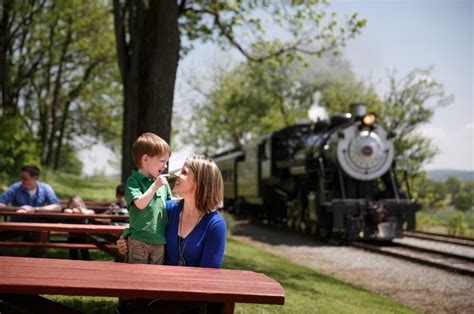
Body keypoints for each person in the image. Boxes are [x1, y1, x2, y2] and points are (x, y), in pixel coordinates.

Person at [116, 155, 226, 313]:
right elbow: (141, 225)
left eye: (184, 172)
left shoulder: (215, 225)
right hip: (155, 292)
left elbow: (207, 279)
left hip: (189, 303)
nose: (176, 174)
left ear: (201, 182)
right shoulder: (168, 209)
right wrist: (126, 240)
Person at [123, 132, 173, 265]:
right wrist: (154, 186)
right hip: (139, 241)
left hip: (159, 240)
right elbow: (139, 204)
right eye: (162, 161)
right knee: (137, 278)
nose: (165, 166)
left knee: (156, 279)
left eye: (166, 162)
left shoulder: (162, 183)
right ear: (145, 159)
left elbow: (170, 205)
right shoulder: (134, 181)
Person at [63, 195, 94, 260]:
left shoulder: (86, 211)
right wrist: (73, 211)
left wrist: (81, 211)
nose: (76, 208)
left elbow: (91, 212)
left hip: (84, 235)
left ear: (82, 204)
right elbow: (66, 211)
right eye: (74, 206)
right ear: (70, 205)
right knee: (73, 254)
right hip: (72, 235)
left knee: (85, 253)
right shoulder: (68, 210)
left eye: (78, 206)